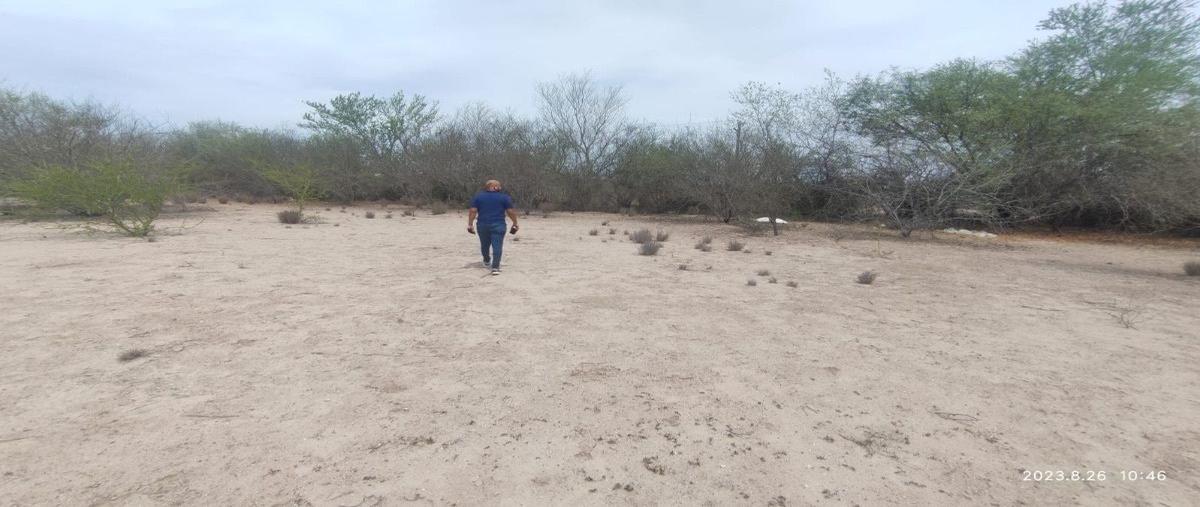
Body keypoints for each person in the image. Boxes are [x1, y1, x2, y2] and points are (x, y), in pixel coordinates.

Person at [467, 179, 519, 275]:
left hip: (482, 224)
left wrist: (470, 224)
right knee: (497, 245)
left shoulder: (478, 197)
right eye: (498, 186)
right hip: (498, 224)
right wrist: (515, 222)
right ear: (493, 186)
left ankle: (486, 261)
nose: (500, 187)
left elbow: (473, 211)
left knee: (484, 244)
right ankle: (495, 267)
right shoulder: (504, 197)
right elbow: (510, 211)